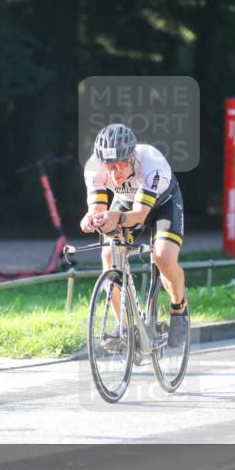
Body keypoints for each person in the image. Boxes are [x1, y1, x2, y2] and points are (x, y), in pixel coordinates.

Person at [81, 123, 188, 347]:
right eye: (109, 166)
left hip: (162, 205)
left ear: (132, 157)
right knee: (109, 256)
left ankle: (179, 306)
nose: (114, 172)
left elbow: (139, 216)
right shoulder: (94, 167)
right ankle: (126, 329)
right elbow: (98, 209)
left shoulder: (151, 163)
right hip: (126, 203)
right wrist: (92, 218)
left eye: (120, 164)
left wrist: (114, 218)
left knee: (163, 257)